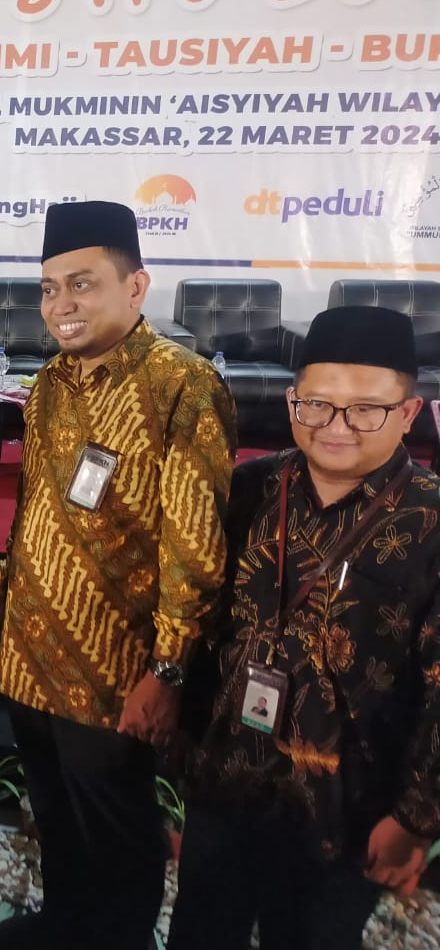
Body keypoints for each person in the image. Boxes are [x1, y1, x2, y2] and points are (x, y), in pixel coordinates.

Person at [0, 201, 237, 950]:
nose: (62, 304)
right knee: (55, 817)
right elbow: (34, 511)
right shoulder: (50, 384)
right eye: (50, 287)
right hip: (32, 658)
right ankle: (66, 927)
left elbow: (194, 547)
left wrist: (168, 668)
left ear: (137, 286)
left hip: (114, 673)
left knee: (118, 834)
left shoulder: (181, 388)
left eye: (83, 284)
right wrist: (4, 613)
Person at [168, 305, 440, 950]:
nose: (336, 426)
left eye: (366, 408)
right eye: (317, 404)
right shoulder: (250, 489)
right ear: (292, 402)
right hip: (227, 777)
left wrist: (416, 818)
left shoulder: (430, 523)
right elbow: (203, 617)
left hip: (346, 808)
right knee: (202, 931)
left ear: (408, 412)